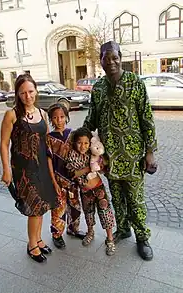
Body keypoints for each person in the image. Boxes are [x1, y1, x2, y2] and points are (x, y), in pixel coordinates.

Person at [83, 41, 157, 261]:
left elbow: (147, 118)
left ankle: (142, 237)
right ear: (101, 61)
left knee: (135, 199)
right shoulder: (98, 88)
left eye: (115, 57)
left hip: (133, 155)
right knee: (117, 198)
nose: (111, 62)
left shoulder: (135, 83)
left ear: (120, 57)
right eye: (107, 58)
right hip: (109, 158)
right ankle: (123, 229)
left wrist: (150, 151)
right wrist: (79, 139)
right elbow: (92, 118)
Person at [0, 74, 57, 263]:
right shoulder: (12, 114)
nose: (28, 96)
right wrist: (6, 169)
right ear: (17, 94)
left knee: (43, 205)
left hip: (41, 166)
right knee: (34, 208)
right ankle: (31, 244)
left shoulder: (41, 113)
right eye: (23, 92)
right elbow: (3, 143)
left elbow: (46, 140)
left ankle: (39, 240)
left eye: (30, 91)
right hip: (24, 169)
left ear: (36, 91)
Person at [66, 127, 115, 256]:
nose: (83, 146)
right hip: (84, 190)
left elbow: (102, 166)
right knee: (88, 212)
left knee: (105, 211)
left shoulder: (93, 153)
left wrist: (100, 163)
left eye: (86, 143)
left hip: (98, 187)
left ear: (90, 143)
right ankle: (90, 232)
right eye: (79, 142)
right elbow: (72, 173)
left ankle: (110, 238)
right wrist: (88, 168)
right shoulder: (71, 155)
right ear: (74, 142)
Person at [47, 103, 86, 249]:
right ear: (51, 120)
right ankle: (56, 234)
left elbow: (81, 151)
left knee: (75, 206)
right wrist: (53, 182)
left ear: (67, 117)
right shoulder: (49, 138)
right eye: (55, 118)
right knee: (58, 209)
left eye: (62, 117)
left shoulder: (72, 135)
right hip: (58, 180)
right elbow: (49, 161)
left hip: (73, 180)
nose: (59, 120)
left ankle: (73, 228)